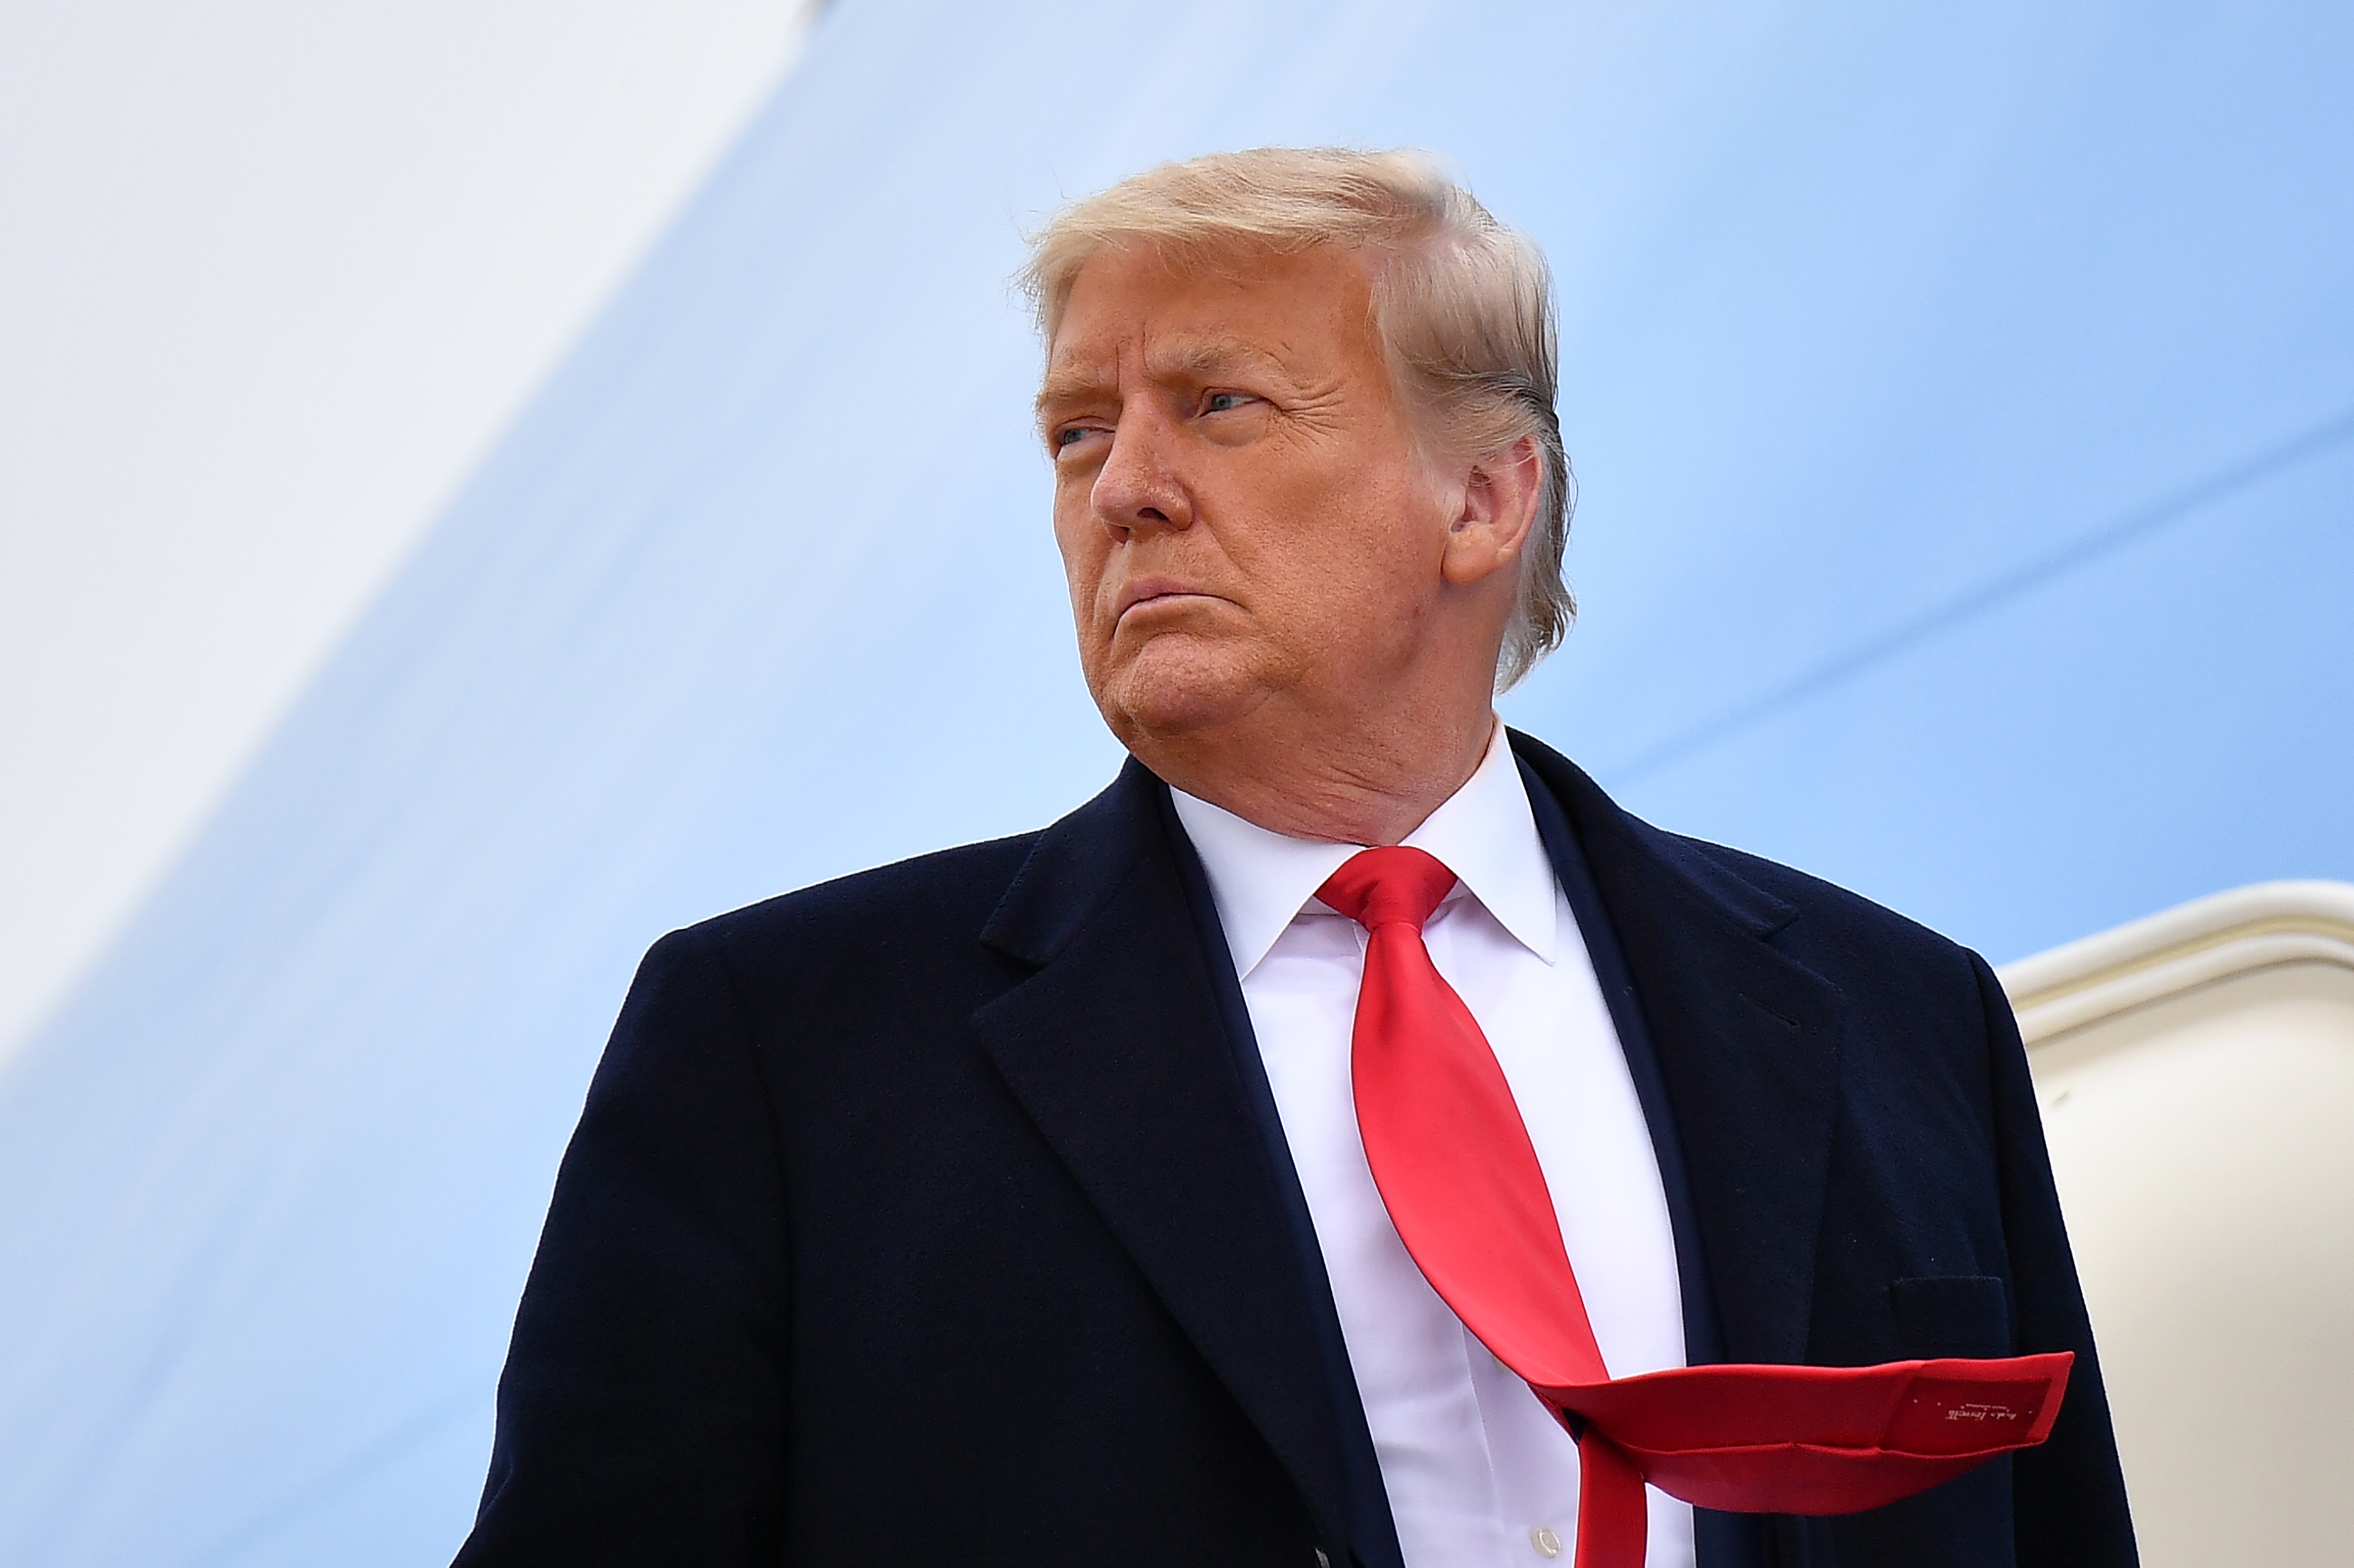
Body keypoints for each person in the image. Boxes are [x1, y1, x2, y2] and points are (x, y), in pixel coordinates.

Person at [452, 148, 2136, 1568]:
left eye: (1218, 405)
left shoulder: (1903, 1016)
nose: (1124, 489)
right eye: (1073, 434)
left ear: (1484, 499)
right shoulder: (782, 1050)